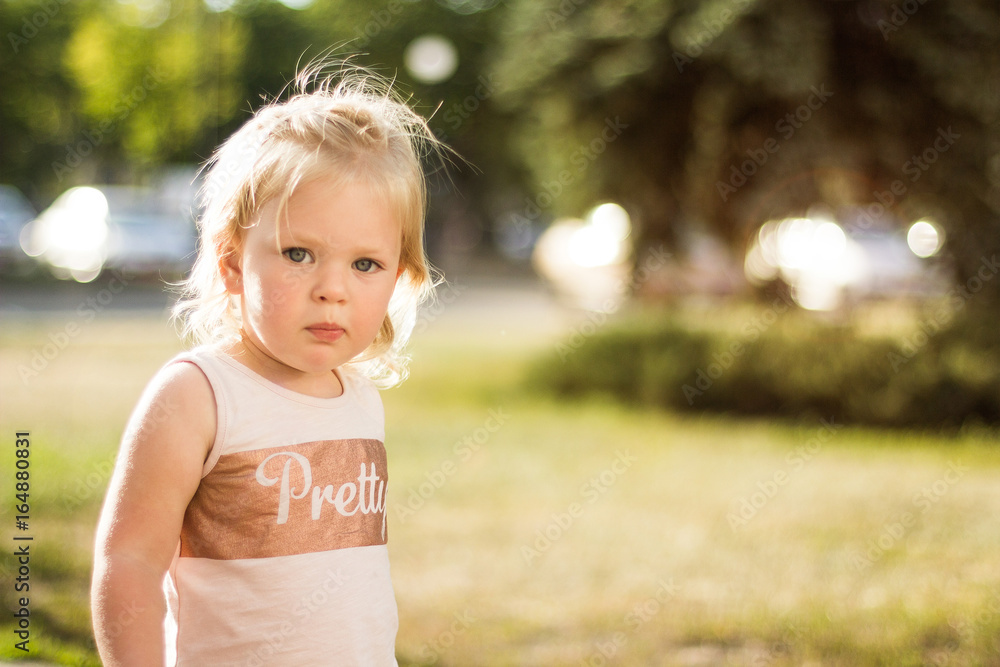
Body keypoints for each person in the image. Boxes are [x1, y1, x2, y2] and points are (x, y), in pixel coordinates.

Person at [90, 63, 443, 666]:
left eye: (366, 264)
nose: (333, 289)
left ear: (401, 277)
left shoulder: (358, 397)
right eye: (299, 253)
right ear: (231, 263)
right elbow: (129, 564)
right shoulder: (199, 395)